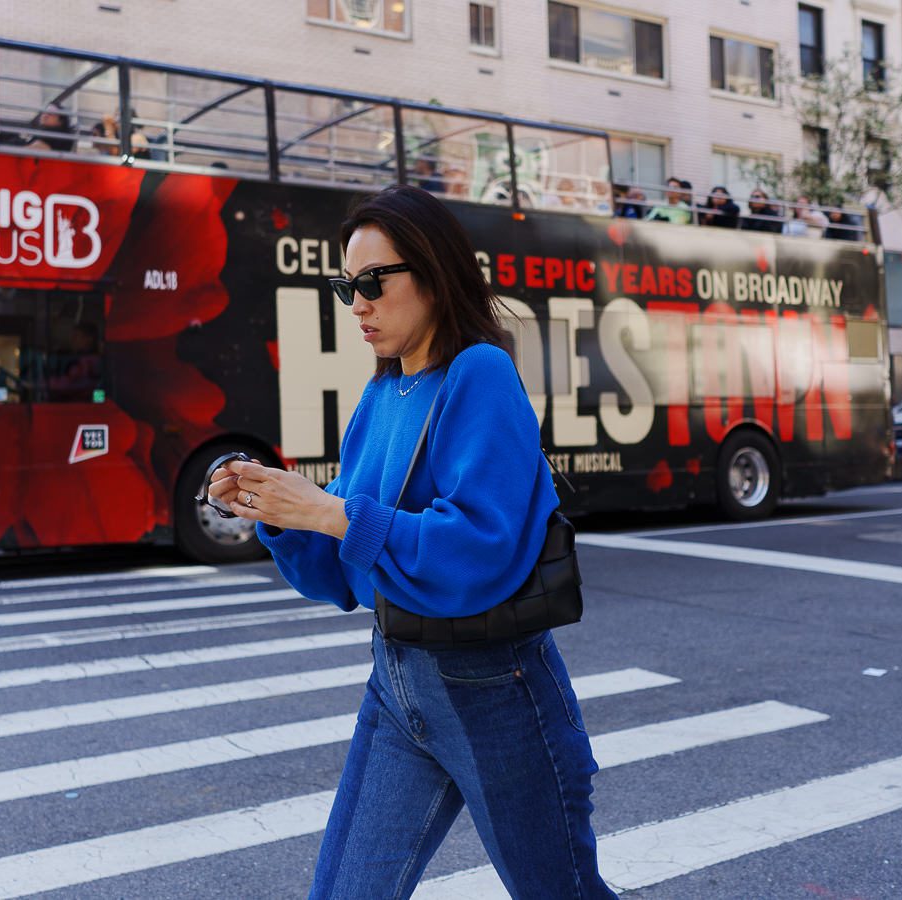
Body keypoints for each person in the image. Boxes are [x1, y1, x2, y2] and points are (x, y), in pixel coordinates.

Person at [209, 184, 615, 899]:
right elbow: (343, 576)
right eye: (346, 285)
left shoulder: (479, 373)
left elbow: (480, 549)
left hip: (497, 692)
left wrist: (334, 514)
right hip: (397, 685)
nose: (357, 303)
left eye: (372, 282)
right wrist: (275, 507)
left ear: (432, 273)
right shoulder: (381, 395)